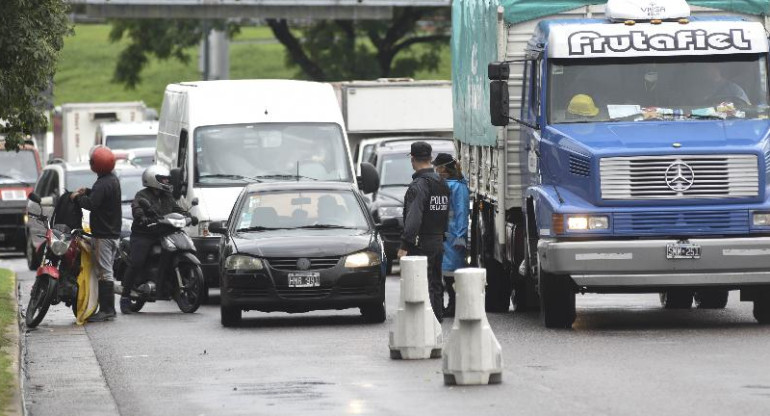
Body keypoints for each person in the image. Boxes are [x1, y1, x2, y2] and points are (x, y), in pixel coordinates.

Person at [120, 165, 185, 314]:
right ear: (152, 179)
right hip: (144, 234)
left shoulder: (167, 195)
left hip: (163, 232)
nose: (166, 182)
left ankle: (167, 284)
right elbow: (136, 207)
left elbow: (176, 209)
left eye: (167, 179)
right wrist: (141, 216)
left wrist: (188, 216)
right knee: (137, 262)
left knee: (175, 251)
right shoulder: (142, 195)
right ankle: (125, 297)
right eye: (162, 179)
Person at [397, 141, 450, 322]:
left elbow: (414, 217)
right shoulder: (442, 182)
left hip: (422, 243)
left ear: (413, 159)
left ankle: (425, 324)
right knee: (436, 283)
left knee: (422, 283)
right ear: (430, 158)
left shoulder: (419, 185)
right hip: (438, 240)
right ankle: (437, 320)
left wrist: (405, 244)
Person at [71, 146, 121, 322]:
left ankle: (108, 310)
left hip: (103, 236)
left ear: (95, 164)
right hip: (113, 234)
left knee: (104, 272)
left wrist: (77, 198)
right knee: (105, 270)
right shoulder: (112, 180)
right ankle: (105, 308)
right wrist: (89, 191)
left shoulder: (102, 183)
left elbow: (91, 205)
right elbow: (101, 198)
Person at [432, 153, 469, 318]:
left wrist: (461, 235)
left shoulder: (457, 186)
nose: (435, 170)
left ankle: (455, 305)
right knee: (447, 271)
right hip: (446, 233)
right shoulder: (447, 184)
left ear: (443, 168)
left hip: (453, 235)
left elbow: (462, 211)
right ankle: (452, 304)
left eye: (437, 167)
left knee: (453, 272)